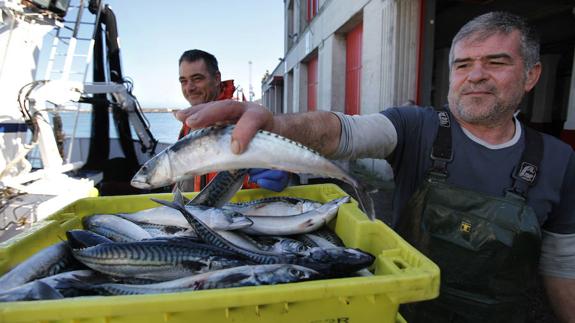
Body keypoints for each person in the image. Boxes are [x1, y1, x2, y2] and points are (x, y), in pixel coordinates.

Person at [176, 12, 575, 322]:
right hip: (405, 310)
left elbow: (562, 267)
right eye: (462, 64)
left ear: (531, 75)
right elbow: (341, 132)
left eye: (496, 62)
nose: (475, 76)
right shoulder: (417, 126)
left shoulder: (559, 160)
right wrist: (276, 125)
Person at [176, 49, 289, 192]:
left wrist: (274, 168)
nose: (189, 88)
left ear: (217, 79)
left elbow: (261, 178)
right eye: (183, 81)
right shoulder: (188, 124)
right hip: (190, 210)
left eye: (197, 79)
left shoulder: (242, 122)